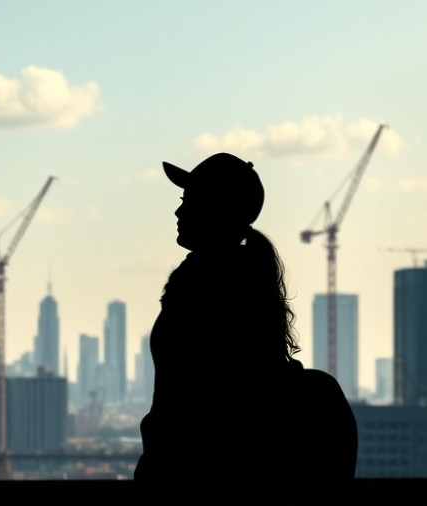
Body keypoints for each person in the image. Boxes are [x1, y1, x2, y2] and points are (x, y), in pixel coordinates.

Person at [133, 152, 358, 500]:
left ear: (213, 212)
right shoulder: (240, 281)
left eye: (188, 202)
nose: (178, 212)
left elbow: (183, 405)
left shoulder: (201, 289)